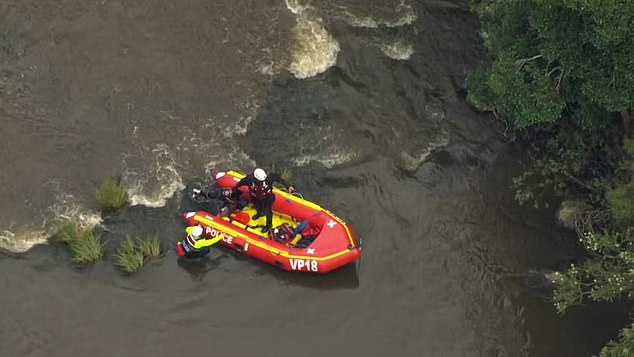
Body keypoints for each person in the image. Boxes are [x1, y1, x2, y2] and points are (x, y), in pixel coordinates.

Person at [231, 168, 295, 233]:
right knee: (257, 206)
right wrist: (233, 190)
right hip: (255, 197)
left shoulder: (269, 177)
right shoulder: (249, 179)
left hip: (268, 197)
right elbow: (240, 183)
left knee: (268, 210)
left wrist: (288, 186)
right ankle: (259, 213)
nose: (262, 182)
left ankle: (268, 225)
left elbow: (280, 179)